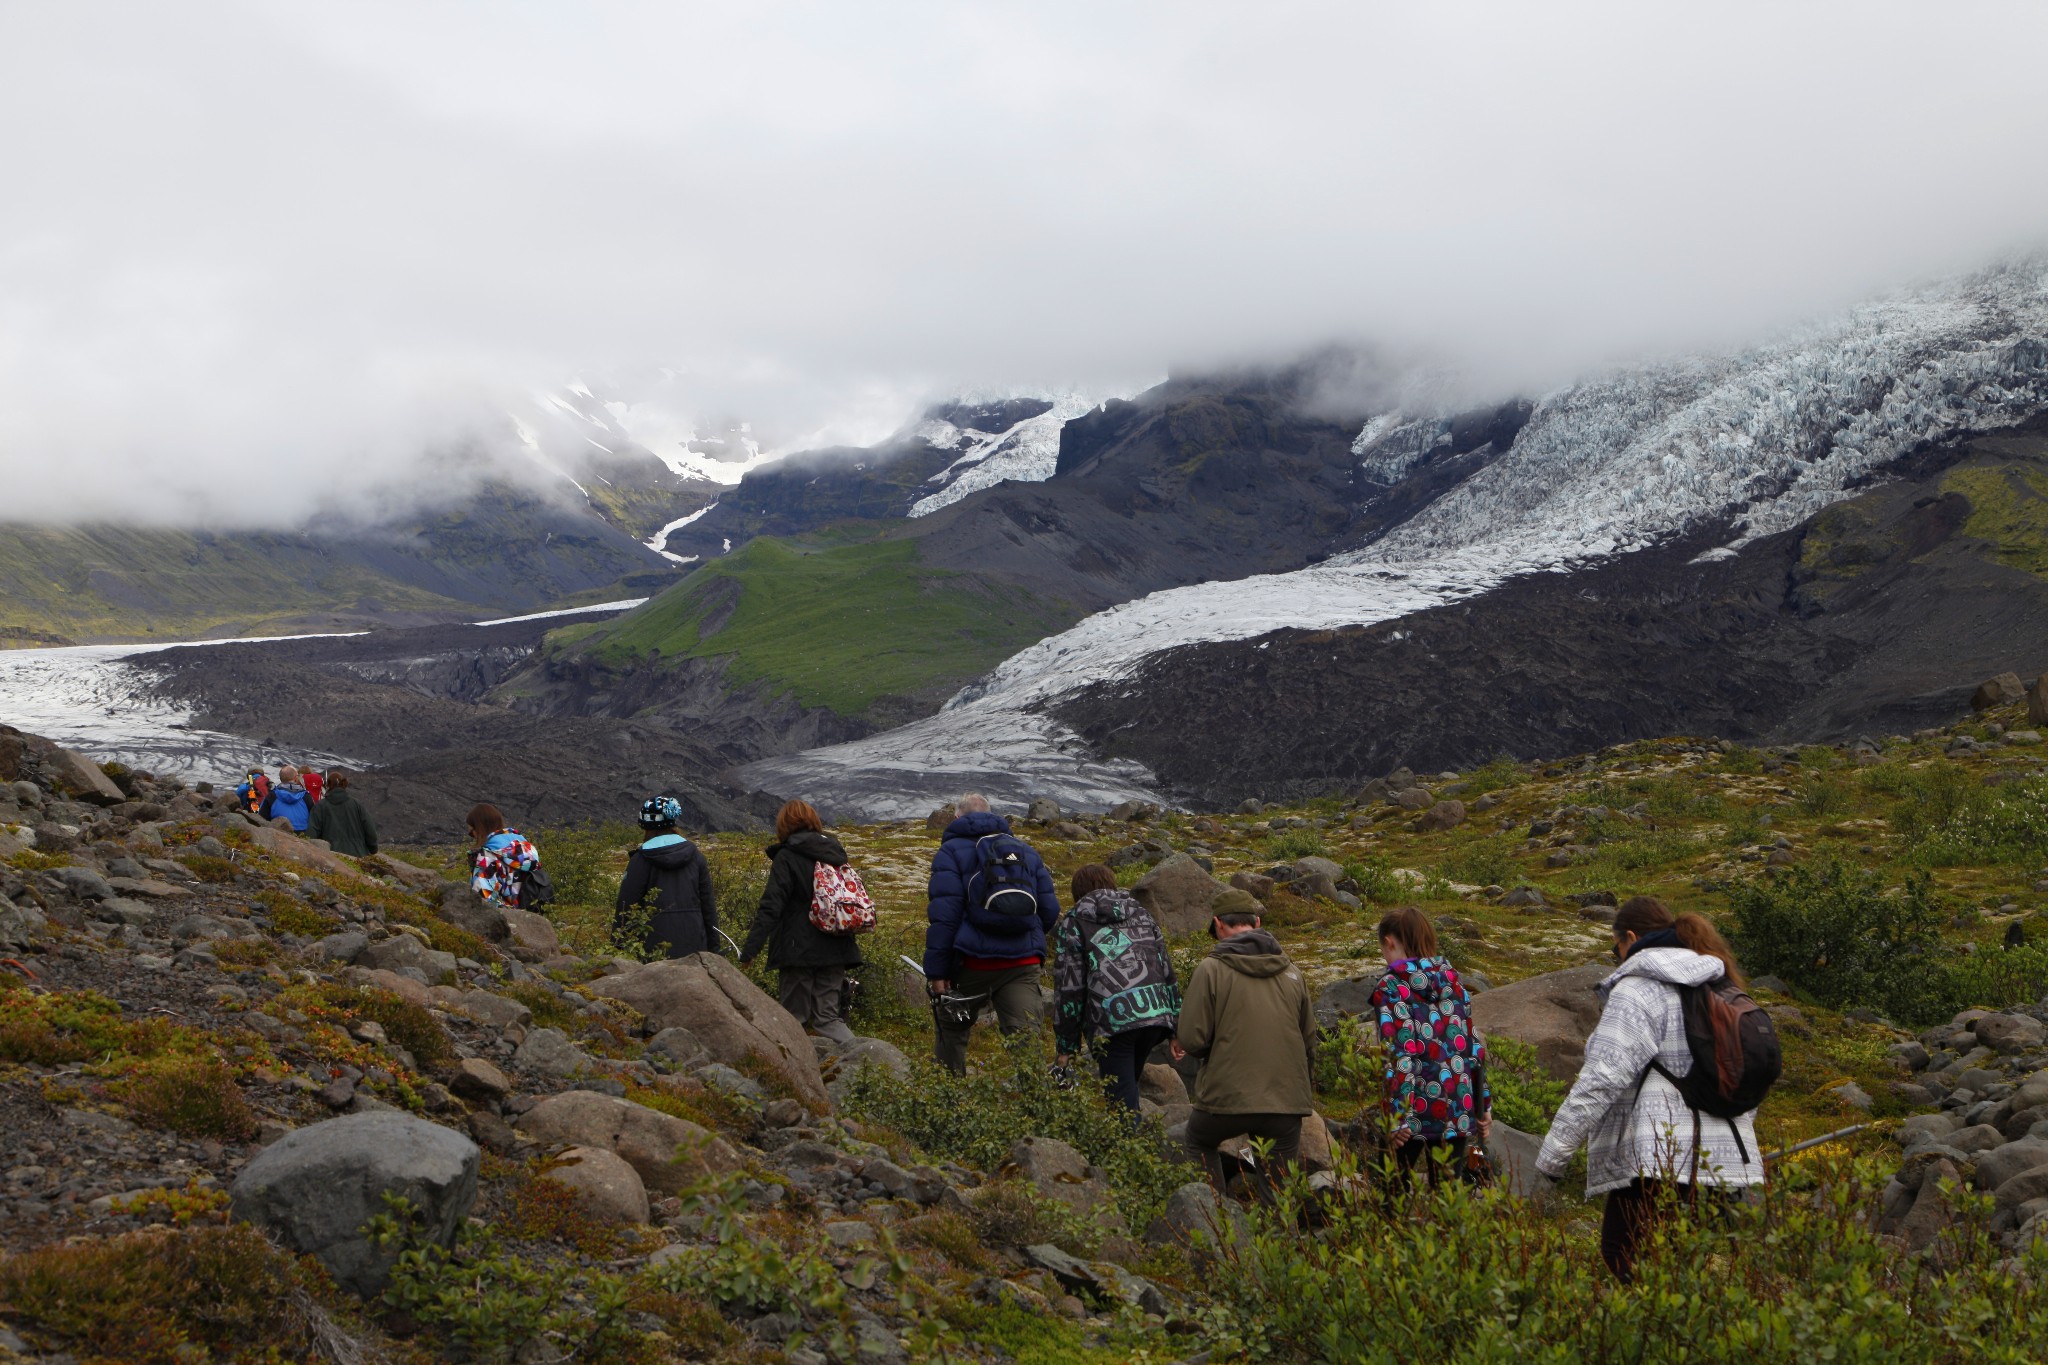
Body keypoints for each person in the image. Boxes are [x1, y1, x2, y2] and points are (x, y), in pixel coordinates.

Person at [1535, 897, 1765, 1282]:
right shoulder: (1719, 985)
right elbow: (1742, 1076)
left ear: (1630, 938)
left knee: (1622, 1257)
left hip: (1658, 1162)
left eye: (1615, 948)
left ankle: (1639, 1340)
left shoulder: (1637, 990)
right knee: (1679, 1272)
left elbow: (1600, 1080)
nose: (1617, 957)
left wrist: (1551, 1160)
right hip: (1720, 1164)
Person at [1172, 893, 1318, 1192]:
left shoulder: (1210, 969)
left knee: (1198, 1141)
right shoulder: (1293, 972)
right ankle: (1281, 1235)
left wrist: (1213, 1055)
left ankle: (1216, 1220)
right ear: (1258, 923)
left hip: (1226, 1098)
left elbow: (1191, 1038)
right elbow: (1308, 1042)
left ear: (1218, 925)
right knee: (1279, 1195)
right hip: (1285, 1101)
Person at [922, 793, 1061, 1076]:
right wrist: (1027, 941)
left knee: (952, 1030)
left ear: (958, 818)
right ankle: (1039, 1110)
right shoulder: (1024, 850)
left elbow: (944, 917)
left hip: (973, 963)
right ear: (992, 814)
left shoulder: (950, 852)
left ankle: (946, 1101)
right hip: (1022, 964)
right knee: (1026, 1043)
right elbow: (1049, 909)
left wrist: (938, 973)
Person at [1371, 905, 1492, 1188]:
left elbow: (1399, 1055)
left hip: (1413, 1112)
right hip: (1457, 1107)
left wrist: (1398, 1116)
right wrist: (1482, 1105)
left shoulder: (1391, 987)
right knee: (1448, 1203)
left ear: (1390, 941)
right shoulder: (1455, 984)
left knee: (1388, 1198)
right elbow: (1473, 1049)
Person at [1053, 863, 1181, 1113]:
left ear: (1077, 893)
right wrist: (1176, 1027)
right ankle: (1137, 1144)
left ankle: (1131, 1148)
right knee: (1127, 1089)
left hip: (1113, 1022)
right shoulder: (1141, 913)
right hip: (1154, 1016)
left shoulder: (1074, 922)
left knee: (1121, 1104)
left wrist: (1066, 1047)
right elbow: (1167, 969)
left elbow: (1069, 989)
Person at [740, 799, 862, 1043]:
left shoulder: (787, 857)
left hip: (797, 950)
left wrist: (750, 950)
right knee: (828, 1019)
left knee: (793, 1019)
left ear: (784, 825)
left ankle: (792, 1074)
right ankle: (858, 1059)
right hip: (837, 946)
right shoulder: (835, 854)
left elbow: (771, 906)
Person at [613, 796, 719, 958]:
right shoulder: (696, 857)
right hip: (696, 948)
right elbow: (708, 908)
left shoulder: (640, 861)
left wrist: (617, 949)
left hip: (653, 952)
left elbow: (625, 907)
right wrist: (714, 952)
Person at [468, 803, 540, 909]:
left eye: (471, 832)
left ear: (479, 829)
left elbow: (482, 895)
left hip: (508, 918)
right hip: (535, 913)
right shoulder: (526, 848)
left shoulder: (488, 855)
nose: (473, 836)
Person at [305, 770, 378, 857]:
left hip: (331, 855)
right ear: (344, 784)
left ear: (328, 785)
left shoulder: (319, 807)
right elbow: (370, 829)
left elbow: (311, 833)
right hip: (358, 854)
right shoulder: (356, 804)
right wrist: (373, 849)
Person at [260, 765, 313, 832]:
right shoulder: (305, 796)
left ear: (280, 779)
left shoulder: (272, 796)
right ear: (295, 778)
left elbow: (263, 818)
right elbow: (313, 817)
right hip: (303, 834)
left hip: (278, 833)